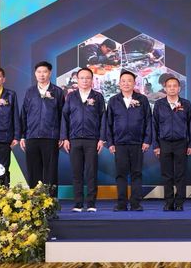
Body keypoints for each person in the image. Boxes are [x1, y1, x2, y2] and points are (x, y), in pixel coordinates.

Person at [103, 70, 152, 211]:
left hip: (138, 143)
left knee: (137, 173)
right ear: (119, 83)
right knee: (121, 174)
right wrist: (110, 143)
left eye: (129, 80)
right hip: (119, 143)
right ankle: (122, 203)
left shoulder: (142, 99)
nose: (126, 83)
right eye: (123, 81)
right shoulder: (113, 100)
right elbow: (108, 123)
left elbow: (148, 121)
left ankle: (136, 203)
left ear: (134, 83)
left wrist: (147, 140)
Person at [61, 67, 106, 212]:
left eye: (87, 78)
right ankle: (78, 203)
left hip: (92, 140)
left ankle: (91, 203)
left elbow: (103, 118)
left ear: (92, 80)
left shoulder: (98, 97)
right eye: (82, 78)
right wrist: (65, 138)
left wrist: (101, 139)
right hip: (74, 139)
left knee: (91, 173)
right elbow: (64, 117)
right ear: (77, 80)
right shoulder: (71, 96)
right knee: (77, 173)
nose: (85, 80)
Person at [20, 61, 64, 192]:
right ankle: (35, 199)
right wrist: (22, 136)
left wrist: (62, 135)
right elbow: (24, 114)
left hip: (51, 137)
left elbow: (62, 115)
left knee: (51, 171)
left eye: (44, 72)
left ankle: (51, 200)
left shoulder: (57, 92)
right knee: (33, 171)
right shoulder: (30, 91)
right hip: (32, 136)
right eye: (39, 72)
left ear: (50, 73)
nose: (41, 75)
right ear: (35, 74)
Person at [152, 75, 191, 211]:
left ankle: (180, 202)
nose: (172, 88)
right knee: (167, 174)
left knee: (180, 174)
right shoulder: (159, 104)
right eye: (169, 86)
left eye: (174, 86)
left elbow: (190, 125)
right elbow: (154, 125)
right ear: (165, 88)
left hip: (181, 143)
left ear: (179, 88)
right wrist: (156, 145)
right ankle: (169, 202)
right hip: (164, 143)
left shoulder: (186, 104)